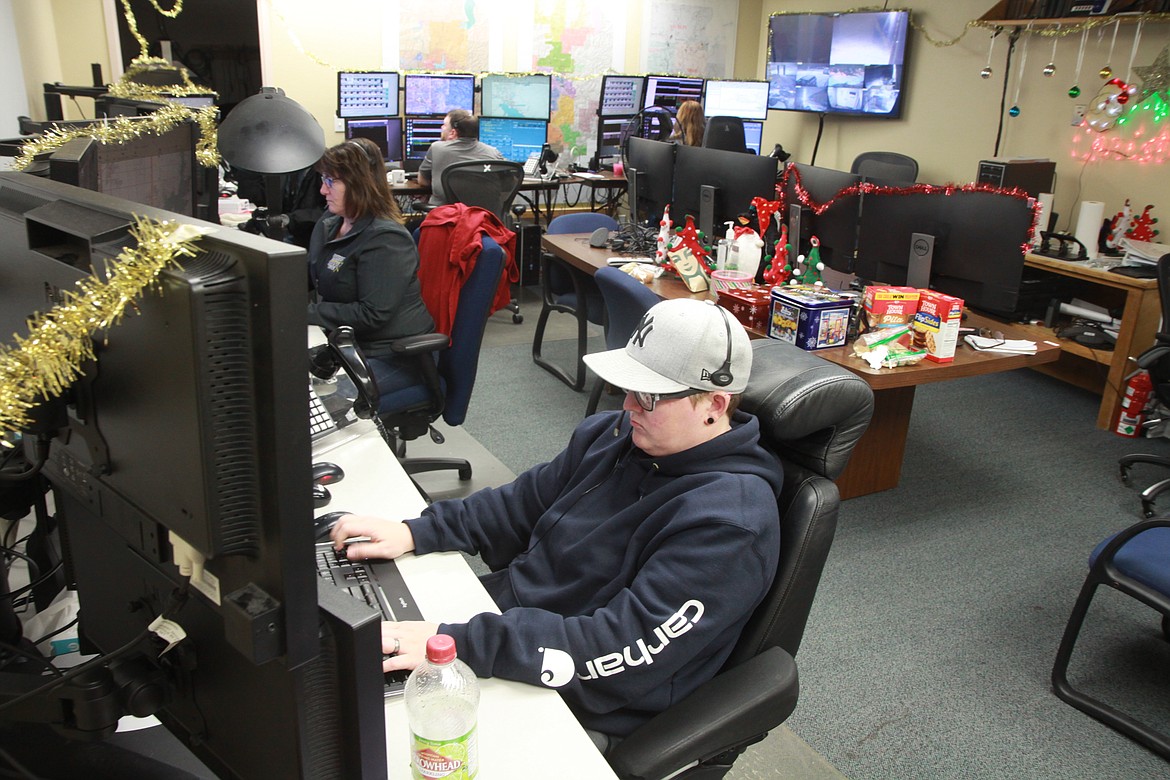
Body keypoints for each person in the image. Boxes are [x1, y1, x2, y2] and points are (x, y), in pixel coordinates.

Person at [330, 298, 782, 748]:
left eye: (647, 396)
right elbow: (522, 502)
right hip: (514, 631)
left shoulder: (730, 523)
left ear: (714, 404)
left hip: (585, 695)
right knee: (339, 676)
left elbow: (622, 648)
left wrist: (461, 644)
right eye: (624, 386)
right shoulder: (615, 436)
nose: (626, 406)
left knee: (378, 739)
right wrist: (417, 531)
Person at [307, 141, 435, 400]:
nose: (323, 190)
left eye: (331, 181)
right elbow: (320, 276)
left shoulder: (386, 239)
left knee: (319, 401)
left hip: (393, 354)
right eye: (323, 179)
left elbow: (372, 314)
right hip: (351, 345)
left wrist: (306, 313)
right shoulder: (333, 225)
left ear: (359, 184)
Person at [418, 109, 504, 207]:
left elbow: (423, 181)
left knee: (411, 223)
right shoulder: (494, 152)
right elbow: (509, 182)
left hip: (448, 219)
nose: (442, 127)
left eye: (444, 125)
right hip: (485, 219)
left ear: (453, 133)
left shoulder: (437, 148)